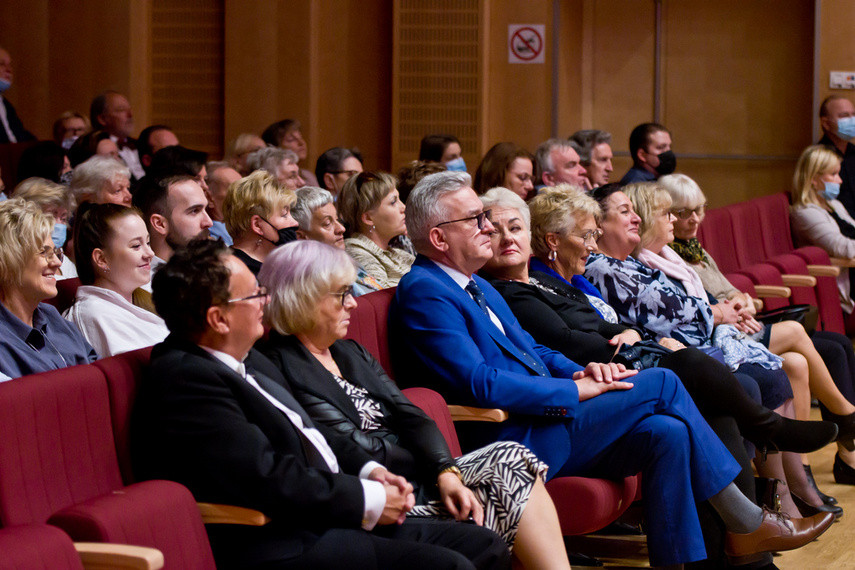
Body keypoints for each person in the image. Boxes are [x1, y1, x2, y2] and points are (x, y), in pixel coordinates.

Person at [389, 171, 834, 568]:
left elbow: (534, 350)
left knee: (668, 433)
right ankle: (746, 520)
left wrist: (587, 372)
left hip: (546, 418)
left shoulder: (476, 283)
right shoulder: (425, 292)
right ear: (440, 238)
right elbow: (478, 384)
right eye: (475, 220)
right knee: (663, 380)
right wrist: (571, 393)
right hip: (510, 439)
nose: (487, 227)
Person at [132, 238, 510, 570]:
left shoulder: (248, 357)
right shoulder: (186, 378)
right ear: (219, 319)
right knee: (450, 564)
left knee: (484, 543)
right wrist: (368, 498)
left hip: (323, 515)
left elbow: (316, 435)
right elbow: (265, 476)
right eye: (254, 295)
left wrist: (369, 473)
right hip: (281, 541)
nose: (266, 301)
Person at [479, 185, 841, 523]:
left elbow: (593, 330)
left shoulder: (545, 282)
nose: (592, 245)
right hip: (585, 387)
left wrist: (628, 335)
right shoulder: (508, 290)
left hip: (611, 368)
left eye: (517, 227)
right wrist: (622, 345)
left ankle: (744, 550)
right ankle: (768, 440)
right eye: (496, 230)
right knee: (688, 373)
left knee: (713, 408)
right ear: (551, 240)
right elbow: (568, 341)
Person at [258, 240, 571, 569]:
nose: (352, 304)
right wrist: (431, 469)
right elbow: (352, 447)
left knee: (510, 460)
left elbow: (412, 416)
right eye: (340, 295)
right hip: (384, 490)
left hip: (422, 472)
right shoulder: (281, 366)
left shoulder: (349, 351)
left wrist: (446, 472)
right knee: (502, 482)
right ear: (301, 301)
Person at [585, 183, 846, 519]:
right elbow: (668, 314)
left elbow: (693, 302)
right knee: (759, 377)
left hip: (695, 342)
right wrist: (718, 315)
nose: (686, 221)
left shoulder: (644, 261)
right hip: (671, 353)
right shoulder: (603, 267)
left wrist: (731, 307)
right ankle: (770, 503)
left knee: (791, 363)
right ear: (598, 225)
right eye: (625, 212)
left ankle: (779, 500)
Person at [663, 171, 855, 493]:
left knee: (806, 356)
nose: (695, 218)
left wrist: (743, 302)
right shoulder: (671, 257)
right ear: (667, 214)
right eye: (684, 212)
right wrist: (732, 310)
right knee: (795, 332)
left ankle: (803, 471)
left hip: (738, 325)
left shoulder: (693, 248)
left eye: (700, 209)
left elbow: (728, 291)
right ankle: (847, 416)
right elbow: (698, 310)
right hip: (716, 338)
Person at [0, 198, 97, 379]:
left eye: (55, 252)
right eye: (44, 252)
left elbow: (96, 372)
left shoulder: (52, 317)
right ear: (6, 261)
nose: (57, 262)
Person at [64, 203, 167, 357]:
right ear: (102, 259)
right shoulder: (94, 314)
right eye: (136, 246)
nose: (150, 253)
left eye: (148, 242)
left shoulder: (146, 300)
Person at [790, 145, 855, 318]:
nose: (840, 180)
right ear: (813, 178)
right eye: (833, 174)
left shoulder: (834, 204)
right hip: (841, 288)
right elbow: (844, 248)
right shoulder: (805, 213)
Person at [293, 186, 381, 296]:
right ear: (301, 237)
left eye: (337, 220)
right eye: (328, 224)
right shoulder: (310, 284)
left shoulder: (351, 263)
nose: (341, 228)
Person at [131, 174, 213, 286]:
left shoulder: (209, 268)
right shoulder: (147, 289)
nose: (208, 222)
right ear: (160, 224)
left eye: (205, 209)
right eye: (194, 211)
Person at [339, 171, 414, 288]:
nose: (403, 207)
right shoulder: (355, 251)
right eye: (393, 202)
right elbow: (381, 297)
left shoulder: (401, 254)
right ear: (368, 218)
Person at [223, 170, 298, 276]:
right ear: (257, 225)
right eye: (284, 215)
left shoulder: (280, 265)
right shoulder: (232, 271)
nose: (295, 223)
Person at [12, 177, 77, 279]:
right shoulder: (18, 264)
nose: (58, 225)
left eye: (63, 218)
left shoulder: (64, 260)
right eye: (51, 216)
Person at [89, 91, 144, 180]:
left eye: (130, 110)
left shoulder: (139, 144)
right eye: (121, 110)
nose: (130, 115)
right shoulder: (91, 147)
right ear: (102, 119)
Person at [817, 95, 855, 216]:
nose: (852, 120)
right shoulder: (816, 157)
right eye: (844, 116)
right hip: (835, 224)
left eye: (853, 115)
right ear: (826, 123)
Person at [262, 118, 319, 186]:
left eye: (301, 137)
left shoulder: (309, 176)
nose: (301, 143)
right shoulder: (269, 179)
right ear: (276, 148)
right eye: (291, 140)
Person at [0, 47, 36, 143]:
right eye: (2, 64)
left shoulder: (7, 106)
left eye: (9, 65)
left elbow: (21, 136)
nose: (9, 70)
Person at [205, 161, 240, 245]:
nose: (246, 195)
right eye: (236, 189)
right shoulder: (210, 240)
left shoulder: (244, 230)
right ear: (209, 198)